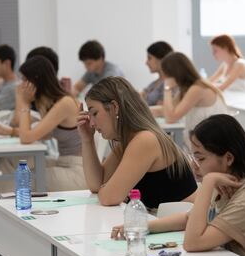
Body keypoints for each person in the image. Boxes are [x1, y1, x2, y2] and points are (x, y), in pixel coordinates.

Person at [111, 114, 245, 256]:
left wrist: (207, 184)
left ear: (228, 158)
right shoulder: (225, 182)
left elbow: (193, 243)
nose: (195, 166)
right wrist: (141, 226)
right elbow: (188, 219)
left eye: (201, 159)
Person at [0, 56, 86, 255]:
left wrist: (23, 101)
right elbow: (39, 134)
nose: (21, 86)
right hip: (66, 164)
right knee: (13, 164)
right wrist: (8, 131)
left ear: (36, 80)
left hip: (78, 172)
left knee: (21, 176)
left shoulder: (65, 103)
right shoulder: (53, 102)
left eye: (24, 80)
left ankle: (0, 231)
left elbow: (27, 137)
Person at [77, 76, 197, 211]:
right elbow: (96, 185)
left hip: (183, 227)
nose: (91, 123)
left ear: (115, 107)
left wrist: (111, 189)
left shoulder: (145, 140)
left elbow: (109, 197)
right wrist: (87, 140)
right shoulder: (129, 141)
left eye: (94, 113)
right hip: (163, 222)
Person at [152, 52, 228, 148]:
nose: (164, 79)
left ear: (174, 73)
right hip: (201, 141)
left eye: (166, 75)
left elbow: (171, 118)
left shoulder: (197, 88)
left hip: (211, 144)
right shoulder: (187, 88)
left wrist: (167, 88)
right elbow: (167, 111)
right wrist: (144, 111)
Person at [140, 41, 173, 106]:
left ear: (161, 59)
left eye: (149, 58)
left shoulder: (172, 84)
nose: (146, 63)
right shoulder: (153, 84)